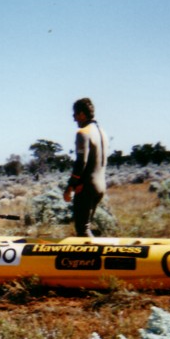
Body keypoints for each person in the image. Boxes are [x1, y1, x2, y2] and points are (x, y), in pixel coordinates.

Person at [63, 97, 109, 237]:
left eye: (75, 115)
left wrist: (70, 186)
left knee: (82, 230)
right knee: (86, 227)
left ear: (82, 114)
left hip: (87, 187)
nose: (74, 119)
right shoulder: (102, 132)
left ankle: (90, 258)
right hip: (100, 186)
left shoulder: (83, 133)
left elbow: (81, 162)